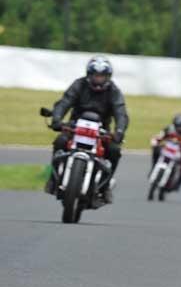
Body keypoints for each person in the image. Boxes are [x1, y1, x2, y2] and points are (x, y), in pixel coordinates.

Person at [45, 55, 128, 202]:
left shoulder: (113, 91)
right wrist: (57, 120)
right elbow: (65, 102)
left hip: (101, 132)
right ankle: (53, 179)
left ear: (108, 77)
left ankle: (105, 186)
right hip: (75, 126)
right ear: (89, 74)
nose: (98, 79)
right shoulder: (79, 85)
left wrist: (119, 132)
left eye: (102, 76)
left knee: (115, 150)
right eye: (96, 75)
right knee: (60, 141)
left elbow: (120, 112)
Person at [150, 113, 181, 192]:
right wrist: (155, 144)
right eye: (177, 126)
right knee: (156, 150)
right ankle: (153, 168)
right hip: (169, 150)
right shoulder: (169, 129)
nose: (179, 129)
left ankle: (178, 183)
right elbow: (157, 138)